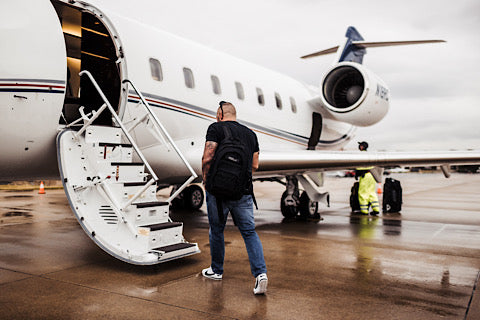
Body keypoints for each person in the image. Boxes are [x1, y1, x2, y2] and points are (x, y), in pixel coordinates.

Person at [201, 101, 268, 295]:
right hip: (243, 192)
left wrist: (207, 180)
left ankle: (216, 270)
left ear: (221, 113)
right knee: (249, 232)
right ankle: (260, 274)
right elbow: (254, 165)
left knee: (217, 230)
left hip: (217, 192)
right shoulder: (250, 134)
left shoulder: (215, 128)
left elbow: (208, 157)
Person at [356, 141, 380, 215]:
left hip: (365, 176)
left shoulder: (361, 155)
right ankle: (376, 208)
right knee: (371, 193)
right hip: (372, 175)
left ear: (362, 147)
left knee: (363, 193)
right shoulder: (369, 154)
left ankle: (364, 210)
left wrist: (356, 174)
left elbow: (358, 166)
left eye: (360, 145)